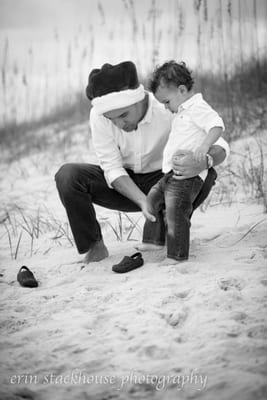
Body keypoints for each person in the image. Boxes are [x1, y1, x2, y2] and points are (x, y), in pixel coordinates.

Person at [55, 61, 229, 264]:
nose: (119, 124)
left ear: (139, 100)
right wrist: (143, 201)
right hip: (125, 186)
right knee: (68, 176)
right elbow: (111, 168)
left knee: (206, 172)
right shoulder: (99, 115)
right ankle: (95, 247)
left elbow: (221, 147)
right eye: (112, 120)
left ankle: (168, 231)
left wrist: (204, 161)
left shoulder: (167, 105)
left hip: (167, 181)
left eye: (123, 115)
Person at [144, 60, 226, 263]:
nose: (165, 107)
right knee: (152, 199)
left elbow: (216, 125)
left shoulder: (197, 106)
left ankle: (177, 254)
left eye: (166, 102)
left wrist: (205, 146)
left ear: (181, 90)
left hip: (188, 176)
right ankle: (153, 240)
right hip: (172, 174)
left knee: (175, 210)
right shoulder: (182, 111)